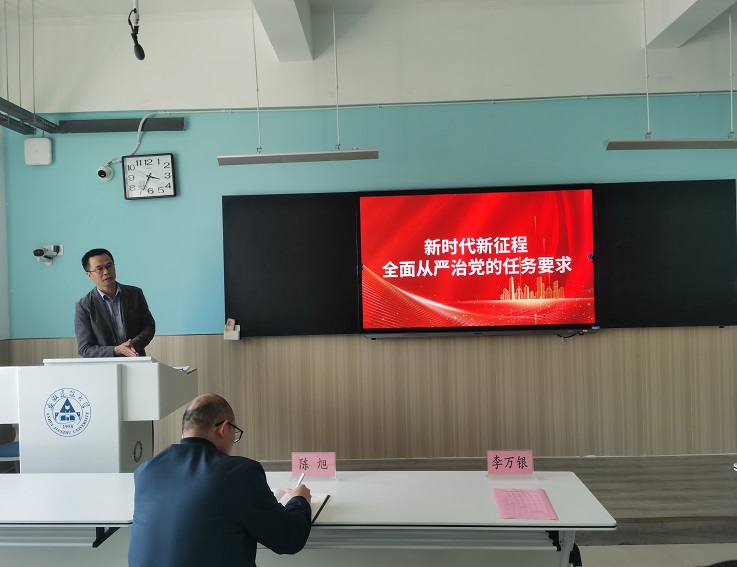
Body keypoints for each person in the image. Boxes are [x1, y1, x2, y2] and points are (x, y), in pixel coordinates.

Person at [128, 393, 312, 567]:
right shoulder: (240, 473)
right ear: (223, 428)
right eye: (235, 432)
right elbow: (289, 538)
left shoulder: (145, 472)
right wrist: (299, 499)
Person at [74, 248, 155, 358]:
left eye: (109, 266)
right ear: (89, 275)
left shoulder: (135, 294)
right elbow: (85, 349)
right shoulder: (84, 306)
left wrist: (133, 345)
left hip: (135, 359)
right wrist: (116, 350)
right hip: (105, 365)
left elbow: (149, 325)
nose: (106, 272)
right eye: (99, 269)